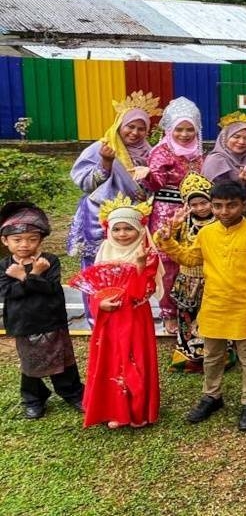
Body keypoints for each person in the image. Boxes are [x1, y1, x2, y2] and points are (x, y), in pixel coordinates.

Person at [155, 181, 246, 432]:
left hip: (245, 305)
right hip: (214, 304)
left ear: (244, 205)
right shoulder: (207, 233)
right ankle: (212, 396)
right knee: (212, 356)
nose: (224, 212)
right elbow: (190, 258)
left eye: (231, 206)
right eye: (218, 206)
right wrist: (168, 242)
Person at [68, 92, 160, 322]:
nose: (135, 133)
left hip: (131, 222)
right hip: (99, 217)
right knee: (98, 267)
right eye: (130, 126)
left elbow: (152, 188)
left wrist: (148, 178)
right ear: (120, 124)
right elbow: (85, 183)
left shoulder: (149, 152)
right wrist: (106, 164)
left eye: (141, 128)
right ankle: (96, 317)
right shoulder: (101, 147)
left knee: (130, 266)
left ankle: (129, 312)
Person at [80, 196, 163, 429]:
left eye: (129, 228)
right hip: (110, 318)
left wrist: (138, 266)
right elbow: (94, 288)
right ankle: (114, 409)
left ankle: (136, 411)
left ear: (140, 229)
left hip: (135, 317)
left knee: (134, 359)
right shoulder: (105, 250)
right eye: (117, 228)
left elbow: (144, 292)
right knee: (112, 360)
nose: (122, 234)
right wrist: (101, 305)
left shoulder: (146, 253)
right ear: (108, 229)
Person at [0, 202, 84, 419]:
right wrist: (31, 278)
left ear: (41, 240)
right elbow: (8, 293)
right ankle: (34, 397)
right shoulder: (4, 266)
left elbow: (51, 289)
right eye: (17, 240)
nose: (24, 245)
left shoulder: (49, 261)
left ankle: (72, 392)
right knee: (30, 364)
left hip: (52, 320)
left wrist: (30, 275)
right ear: (5, 241)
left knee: (63, 359)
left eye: (32, 239)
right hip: (23, 323)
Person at [146, 96, 203, 332]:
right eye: (179, 129)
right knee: (168, 263)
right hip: (166, 213)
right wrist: (146, 175)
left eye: (190, 129)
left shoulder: (198, 151)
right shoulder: (161, 152)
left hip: (194, 212)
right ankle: (168, 312)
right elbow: (155, 183)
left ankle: (190, 310)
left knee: (191, 260)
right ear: (169, 129)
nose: (184, 134)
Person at [165, 173, 217, 372]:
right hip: (187, 279)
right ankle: (189, 356)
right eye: (194, 205)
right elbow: (164, 239)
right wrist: (174, 225)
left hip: (212, 279)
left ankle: (216, 356)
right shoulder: (182, 222)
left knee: (211, 317)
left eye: (204, 203)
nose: (200, 208)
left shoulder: (219, 221)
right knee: (187, 317)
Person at [201, 113, 246, 216]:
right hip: (222, 217)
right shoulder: (216, 160)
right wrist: (240, 182)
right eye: (236, 136)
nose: (241, 141)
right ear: (225, 138)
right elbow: (215, 194)